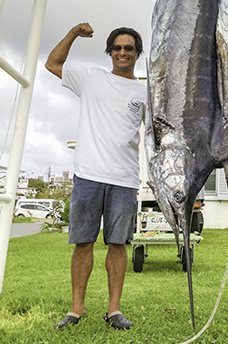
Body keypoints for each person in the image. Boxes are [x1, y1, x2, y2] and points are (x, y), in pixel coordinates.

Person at [45, 23, 146, 330]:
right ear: (109, 52)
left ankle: (113, 310)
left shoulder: (146, 91)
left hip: (125, 179)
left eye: (128, 48)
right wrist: (73, 33)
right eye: (117, 47)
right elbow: (53, 64)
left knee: (118, 245)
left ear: (137, 53)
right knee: (83, 243)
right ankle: (77, 309)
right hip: (88, 174)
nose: (122, 52)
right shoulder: (91, 77)